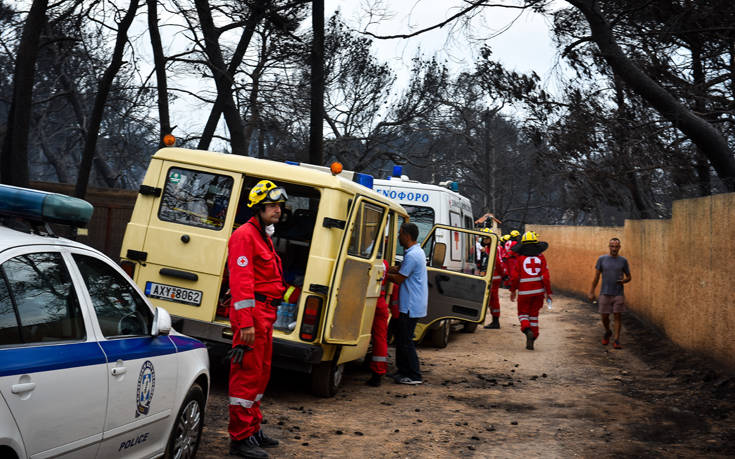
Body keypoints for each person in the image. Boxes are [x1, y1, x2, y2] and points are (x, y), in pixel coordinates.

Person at [226, 180, 288, 459]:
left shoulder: (262, 235)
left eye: (279, 206)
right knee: (247, 377)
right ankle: (239, 439)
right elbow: (241, 283)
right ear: (259, 207)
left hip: (265, 315)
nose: (278, 210)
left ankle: (252, 429)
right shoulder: (244, 235)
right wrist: (246, 322)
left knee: (260, 375)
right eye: (273, 206)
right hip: (253, 318)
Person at [385, 222, 428, 385]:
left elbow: (399, 278)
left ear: (407, 236)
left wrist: (382, 273)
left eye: (400, 234)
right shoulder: (416, 252)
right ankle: (403, 371)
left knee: (406, 341)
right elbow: (403, 270)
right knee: (402, 338)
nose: (398, 237)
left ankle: (414, 375)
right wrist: (395, 269)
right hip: (412, 303)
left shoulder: (412, 255)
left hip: (410, 304)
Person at [509, 231, 552, 350]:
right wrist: (548, 293)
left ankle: (527, 330)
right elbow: (546, 277)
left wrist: (513, 290)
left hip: (524, 292)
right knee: (534, 315)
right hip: (538, 292)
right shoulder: (541, 257)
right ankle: (534, 336)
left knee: (523, 314)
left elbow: (515, 277)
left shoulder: (520, 259)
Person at [588, 237, 631, 349]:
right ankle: (608, 331)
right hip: (605, 293)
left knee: (617, 315)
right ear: (609, 247)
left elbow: (629, 277)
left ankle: (616, 340)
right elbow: (596, 277)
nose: (614, 248)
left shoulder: (623, 261)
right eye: (612, 246)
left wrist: (624, 281)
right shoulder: (602, 259)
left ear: (619, 247)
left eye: (616, 246)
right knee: (604, 316)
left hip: (618, 293)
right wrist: (591, 291)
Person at [367, 259, 392, 387]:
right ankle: (378, 372)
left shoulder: (367, 259)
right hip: (380, 302)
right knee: (380, 338)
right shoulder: (384, 263)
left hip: (366, 301)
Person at [479, 228, 506, 329]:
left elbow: (499, 263)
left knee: (493, 300)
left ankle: (496, 322)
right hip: (490, 277)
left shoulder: (494, 248)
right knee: (490, 300)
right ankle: (493, 321)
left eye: (486, 238)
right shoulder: (488, 248)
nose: (484, 240)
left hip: (494, 278)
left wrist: (504, 275)